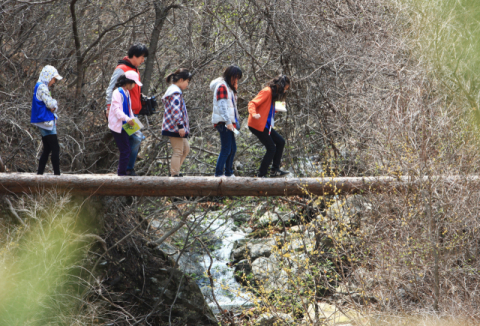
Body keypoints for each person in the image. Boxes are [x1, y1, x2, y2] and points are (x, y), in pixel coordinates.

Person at [105, 43, 149, 176]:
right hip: (122, 114)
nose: (143, 60)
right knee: (135, 139)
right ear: (134, 56)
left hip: (132, 113)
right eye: (142, 57)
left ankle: (127, 168)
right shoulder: (122, 68)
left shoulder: (134, 69)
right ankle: (126, 169)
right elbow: (110, 88)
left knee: (136, 138)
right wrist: (108, 107)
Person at [248, 75, 291, 177]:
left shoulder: (273, 94)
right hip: (257, 124)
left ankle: (275, 170)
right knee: (271, 148)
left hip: (265, 125)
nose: (284, 92)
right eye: (285, 89)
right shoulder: (267, 91)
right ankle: (261, 174)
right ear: (280, 86)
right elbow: (252, 103)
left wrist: (280, 107)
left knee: (281, 141)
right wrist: (254, 114)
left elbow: (268, 109)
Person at [210, 65, 243, 177]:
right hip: (223, 123)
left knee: (232, 148)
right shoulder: (222, 87)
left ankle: (229, 172)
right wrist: (228, 122)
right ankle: (219, 174)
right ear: (231, 76)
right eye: (236, 77)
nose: (237, 80)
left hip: (228, 122)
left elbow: (231, 107)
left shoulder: (228, 88)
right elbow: (222, 107)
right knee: (226, 149)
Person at [108, 71, 142, 176]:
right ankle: (122, 173)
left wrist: (135, 123)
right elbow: (116, 110)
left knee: (136, 140)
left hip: (125, 124)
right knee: (125, 150)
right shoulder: (117, 93)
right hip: (119, 126)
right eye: (133, 83)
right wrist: (127, 119)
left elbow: (129, 110)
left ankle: (126, 170)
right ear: (128, 82)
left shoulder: (126, 93)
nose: (134, 86)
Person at [31, 65, 63, 176]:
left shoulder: (39, 86)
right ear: (48, 77)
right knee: (55, 148)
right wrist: (54, 103)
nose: (54, 82)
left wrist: (53, 105)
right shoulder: (42, 87)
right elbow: (50, 104)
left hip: (43, 121)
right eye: (53, 79)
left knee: (47, 148)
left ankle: (40, 174)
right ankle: (57, 175)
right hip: (46, 122)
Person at [161, 69, 192, 177]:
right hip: (174, 127)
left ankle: (175, 171)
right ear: (181, 80)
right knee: (178, 151)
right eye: (187, 81)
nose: (187, 84)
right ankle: (174, 174)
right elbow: (176, 110)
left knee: (186, 149)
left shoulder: (175, 91)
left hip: (176, 127)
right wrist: (180, 126)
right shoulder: (175, 92)